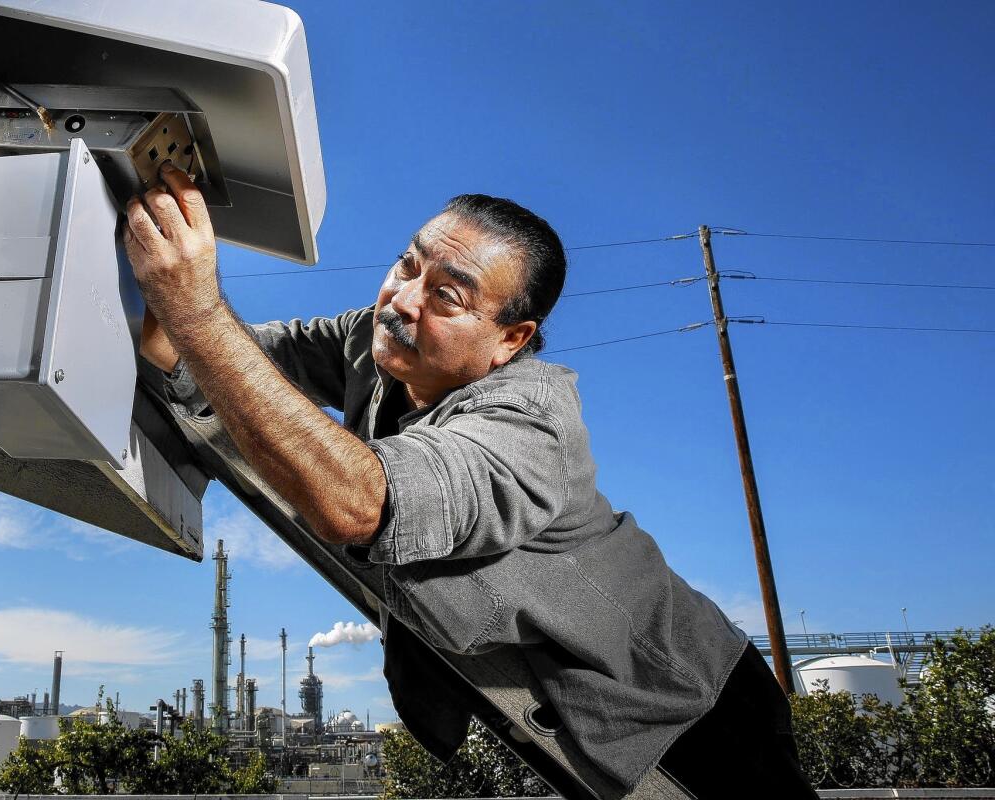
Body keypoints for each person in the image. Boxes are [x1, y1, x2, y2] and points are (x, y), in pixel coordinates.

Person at [125, 162, 817, 798]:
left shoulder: (531, 424)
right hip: (563, 711)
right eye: (406, 265)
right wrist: (151, 272)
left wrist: (196, 309)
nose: (402, 300)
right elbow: (205, 364)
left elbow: (360, 504)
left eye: (447, 296)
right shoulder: (373, 340)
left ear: (510, 339)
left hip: (687, 706)